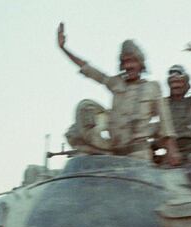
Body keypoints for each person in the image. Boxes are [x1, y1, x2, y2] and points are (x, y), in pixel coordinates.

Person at [57, 22, 179, 164]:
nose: (128, 66)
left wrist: (172, 149)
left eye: (132, 61)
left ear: (141, 63)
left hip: (138, 155)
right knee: (85, 108)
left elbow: (165, 120)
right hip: (114, 153)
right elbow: (89, 70)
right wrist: (64, 49)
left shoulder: (153, 88)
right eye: (125, 62)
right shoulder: (116, 83)